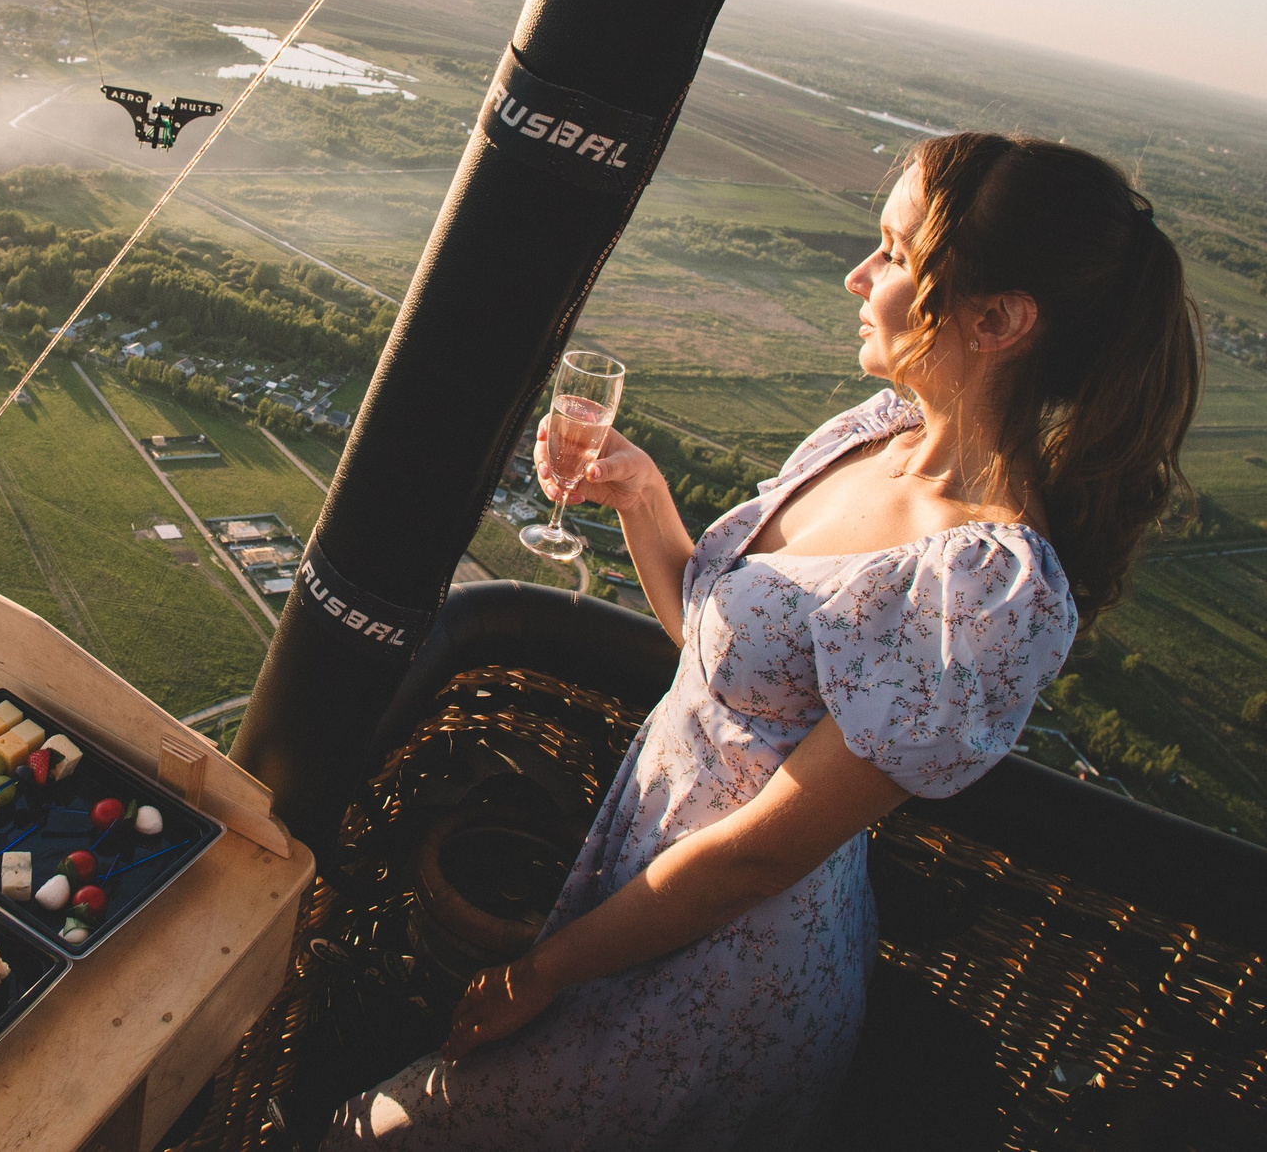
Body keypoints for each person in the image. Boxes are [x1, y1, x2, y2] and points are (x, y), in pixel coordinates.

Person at [328, 132, 1202, 1150]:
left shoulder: (984, 589)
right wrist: (641, 495)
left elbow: (758, 859)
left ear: (998, 319)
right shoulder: (873, 435)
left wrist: (541, 973)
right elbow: (721, 668)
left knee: (375, 1135)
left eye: (894, 252)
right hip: (638, 895)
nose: (858, 275)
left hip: (715, 976)